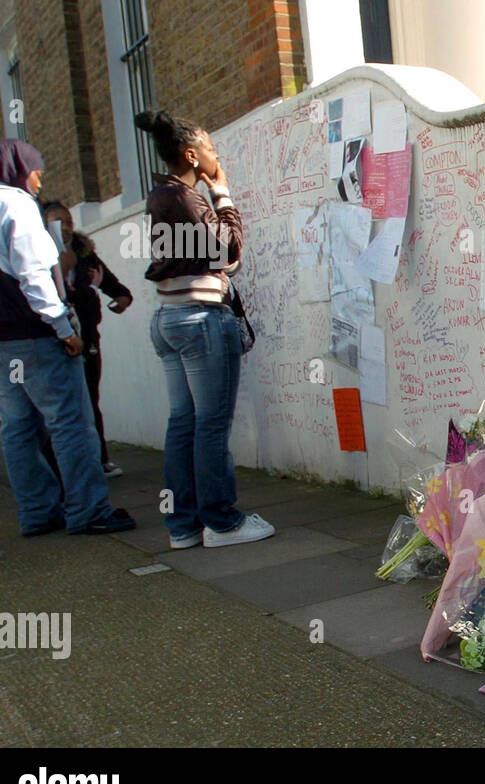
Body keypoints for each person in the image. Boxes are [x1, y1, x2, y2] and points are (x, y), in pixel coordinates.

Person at [0, 138, 135, 535]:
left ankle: (38, 512)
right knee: (72, 423)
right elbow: (33, 273)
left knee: (18, 426)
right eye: (36, 171)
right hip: (33, 334)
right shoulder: (17, 205)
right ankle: (89, 511)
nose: (39, 182)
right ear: (19, 171)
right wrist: (63, 327)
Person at [134, 110, 274, 549]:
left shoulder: (161, 195)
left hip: (170, 318)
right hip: (199, 321)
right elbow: (230, 250)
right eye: (211, 150)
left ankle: (183, 526)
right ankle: (222, 523)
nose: (217, 157)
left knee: (184, 422)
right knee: (211, 425)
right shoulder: (187, 199)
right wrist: (223, 193)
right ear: (192, 155)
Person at [42, 200, 133, 478]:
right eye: (57, 221)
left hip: (88, 337)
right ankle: (60, 467)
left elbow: (110, 283)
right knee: (61, 406)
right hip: (58, 340)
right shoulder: (37, 254)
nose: (65, 226)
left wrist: (121, 297)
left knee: (90, 397)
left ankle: (99, 458)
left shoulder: (83, 253)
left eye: (68, 220)